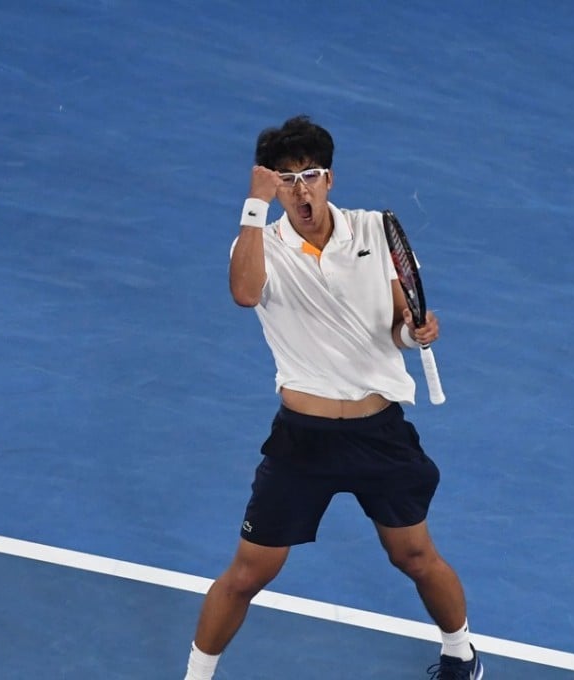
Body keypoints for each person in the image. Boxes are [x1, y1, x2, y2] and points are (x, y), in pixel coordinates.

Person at [183, 115, 484, 680]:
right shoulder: (259, 244)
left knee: (415, 557)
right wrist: (254, 205)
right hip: (303, 440)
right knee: (248, 574)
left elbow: (397, 323)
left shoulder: (374, 231)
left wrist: (412, 332)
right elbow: (245, 294)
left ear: (330, 179)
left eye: (310, 176)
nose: (300, 190)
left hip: (379, 433)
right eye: (285, 180)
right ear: (272, 187)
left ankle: (461, 653)